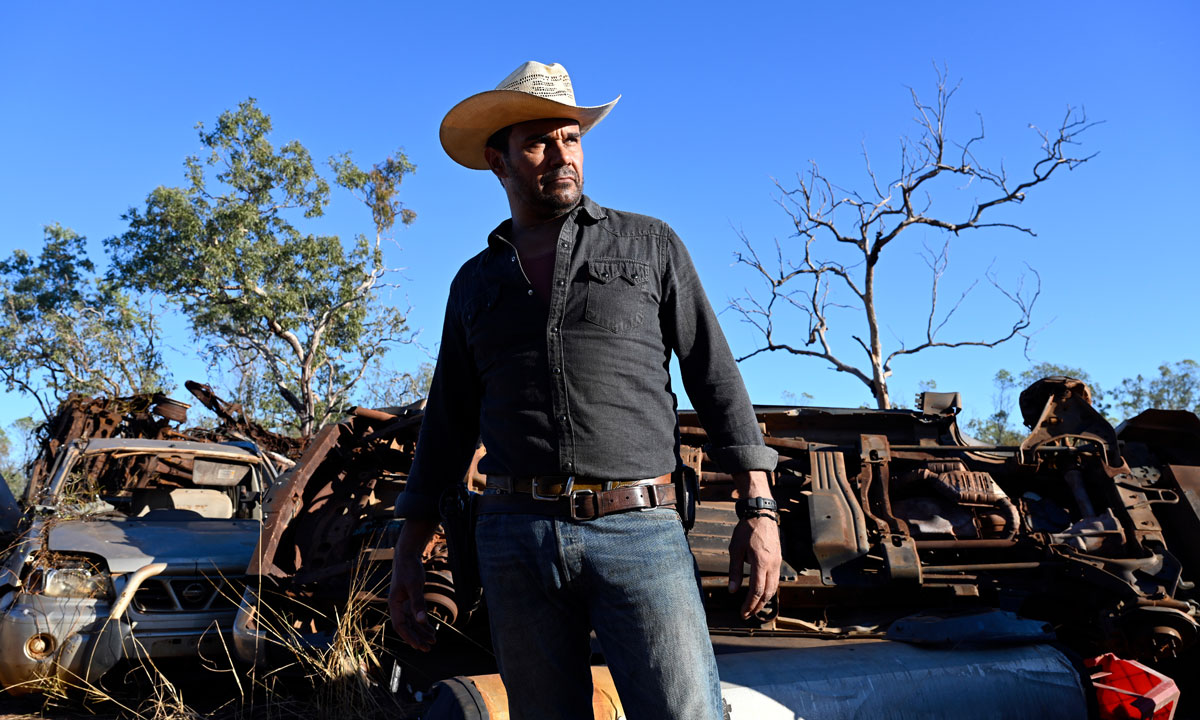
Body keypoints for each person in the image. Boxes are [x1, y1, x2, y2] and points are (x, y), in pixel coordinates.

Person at [389, 61, 781, 720]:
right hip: (515, 538)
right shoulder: (476, 283)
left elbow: (715, 377)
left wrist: (759, 510)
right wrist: (409, 552)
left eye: (571, 138)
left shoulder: (650, 245)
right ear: (499, 159)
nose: (561, 155)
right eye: (539, 142)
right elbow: (448, 424)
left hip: (640, 528)